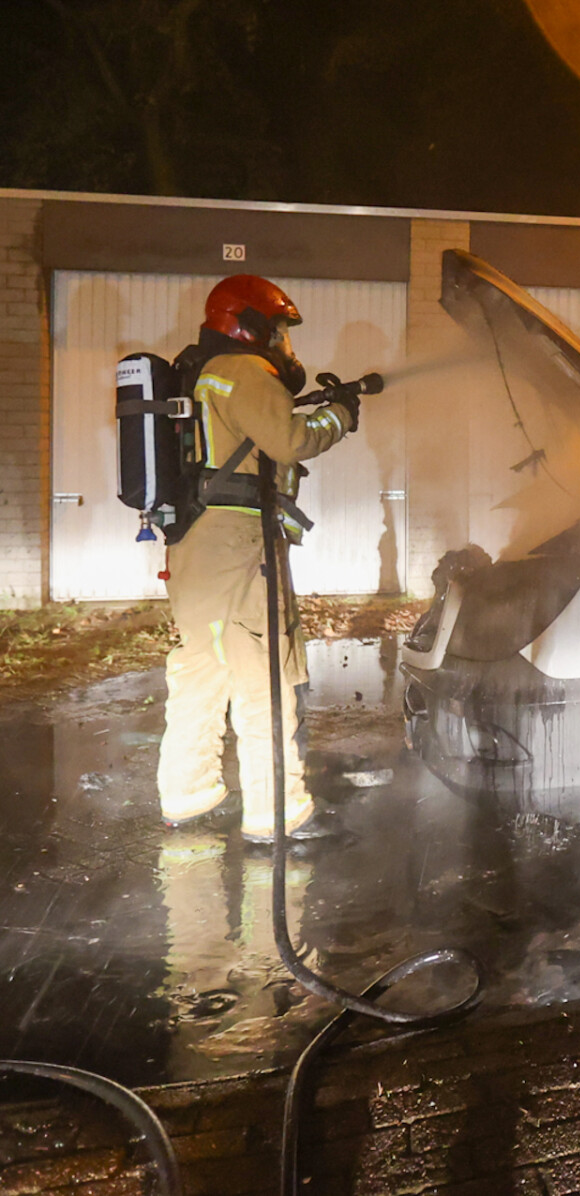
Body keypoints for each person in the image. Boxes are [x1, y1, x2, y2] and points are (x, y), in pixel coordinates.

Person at [156, 275, 362, 843]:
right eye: (279, 331)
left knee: (202, 668)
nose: (285, 344)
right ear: (248, 326)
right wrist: (340, 415)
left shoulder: (202, 372)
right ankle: (279, 811)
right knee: (264, 673)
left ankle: (188, 792)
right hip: (238, 544)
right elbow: (291, 441)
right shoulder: (245, 371)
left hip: (195, 541)